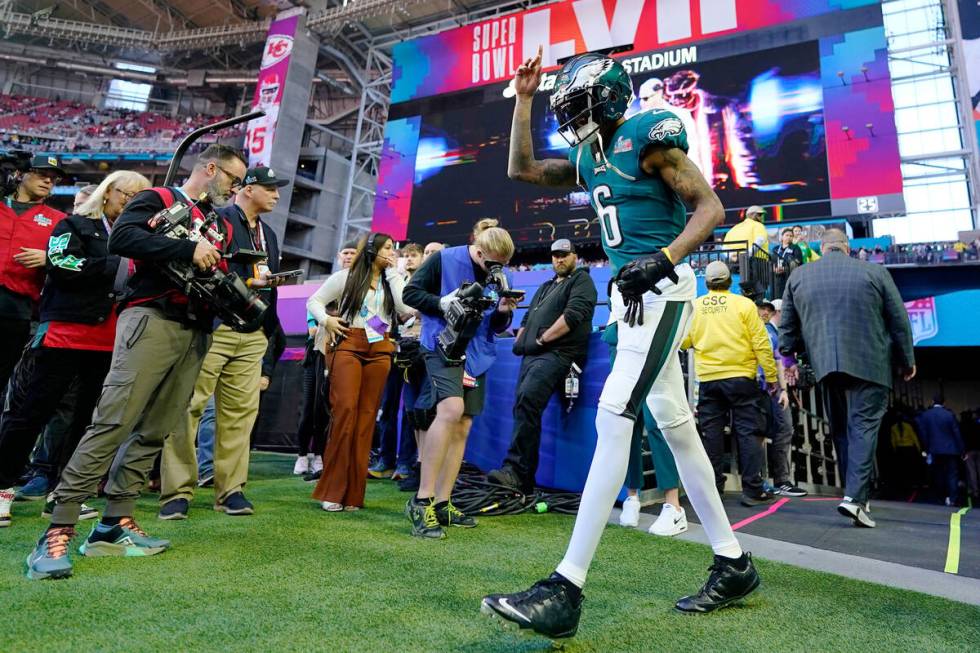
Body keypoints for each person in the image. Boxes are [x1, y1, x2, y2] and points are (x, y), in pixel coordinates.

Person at [482, 49, 757, 639]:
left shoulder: (648, 137)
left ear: (606, 100)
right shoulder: (589, 153)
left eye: (576, 105)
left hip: (662, 292)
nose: (573, 117)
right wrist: (525, 100)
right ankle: (733, 562)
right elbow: (522, 169)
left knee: (614, 416)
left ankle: (566, 586)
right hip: (635, 300)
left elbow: (709, 207)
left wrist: (661, 259)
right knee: (678, 428)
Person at [25, 144, 246, 580]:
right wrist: (186, 250)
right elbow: (122, 239)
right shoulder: (160, 199)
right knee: (113, 421)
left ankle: (112, 525)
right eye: (233, 180)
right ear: (210, 168)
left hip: (195, 330)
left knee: (156, 429)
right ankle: (57, 530)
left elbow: (212, 271)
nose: (235, 189)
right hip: (151, 319)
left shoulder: (221, 223)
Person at [0, 171, 150, 529]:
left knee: (86, 420)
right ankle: (3, 486)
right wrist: (118, 266)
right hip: (64, 333)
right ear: (108, 191)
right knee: (32, 411)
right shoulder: (74, 224)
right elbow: (63, 264)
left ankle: (63, 495)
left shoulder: (135, 237)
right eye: (128, 196)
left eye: (138, 200)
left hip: (109, 337)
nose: (131, 204)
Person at [159, 165, 287, 520]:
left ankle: (230, 489)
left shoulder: (269, 235)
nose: (276, 193)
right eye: (269, 187)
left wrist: (267, 334)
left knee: (240, 416)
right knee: (190, 407)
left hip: (252, 333)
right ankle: (177, 491)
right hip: (215, 326)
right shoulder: (217, 219)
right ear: (246, 189)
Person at [779, 228, 916, 529]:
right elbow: (899, 320)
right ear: (847, 248)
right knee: (863, 427)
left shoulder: (799, 276)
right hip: (871, 365)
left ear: (823, 248)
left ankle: (854, 495)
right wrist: (907, 361)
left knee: (841, 431)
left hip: (826, 365)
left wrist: (788, 360)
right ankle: (855, 499)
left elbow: (787, 327)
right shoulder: (875, 272)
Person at [403, 220, 517, 538]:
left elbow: (494, 326)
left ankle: (442, 502)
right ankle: (421, 500)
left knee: (464, 422)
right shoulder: (445, 259)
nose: (495, 270)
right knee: (450, 410)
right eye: (491, 262)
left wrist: (504, 311)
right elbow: (411, 293)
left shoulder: (499, 274)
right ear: (479, 251)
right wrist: (441, 302)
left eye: (501, 265)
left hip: (477, 353)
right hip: (442, 346)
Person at [308, 233, 411, 511]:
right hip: (348, 345)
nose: (393, 253)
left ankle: (353, 494)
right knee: (345, 413)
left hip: (380, 347)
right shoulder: (346, 277)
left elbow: (404, 308)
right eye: (388, 248)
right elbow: (314, 301)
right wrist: (327, 319)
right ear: (373, 250)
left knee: (367, 420)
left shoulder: (392, 282)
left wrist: (394, 275)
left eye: (394, 249)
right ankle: (332, 490)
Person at [487, 238, 596, 493]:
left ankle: (517, 472)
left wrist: (539, 339)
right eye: (555, 255)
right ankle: (520, 478)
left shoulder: (582, 280)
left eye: (565, 255)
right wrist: (522, 340)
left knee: (527, 402)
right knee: (523, 407)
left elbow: (573, 316)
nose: (559, 259)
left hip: (557, 354)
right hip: (532, 355)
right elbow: (527, 316)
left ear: (575, 257)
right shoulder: (546, 285)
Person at [681, 261, 778, 506]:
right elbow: (762, 344)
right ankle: (752, 490)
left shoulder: (696, 306)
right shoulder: (744, 305)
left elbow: (683, 341)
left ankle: (714, 488)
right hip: (741, 378)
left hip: (709, 380)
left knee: (711, 434)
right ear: (729, 282)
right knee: (747, 432)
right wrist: (772, 377)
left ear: (707, 283)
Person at [607, 315, 686, 536]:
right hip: (624, 350)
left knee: (658, 424)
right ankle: (632, 497)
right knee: (628, 426)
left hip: (655, 349)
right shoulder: (616, 284)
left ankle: (673, 504)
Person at [0, 155, 67, 400]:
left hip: (17, 310)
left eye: (53, 178)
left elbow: (73, 263)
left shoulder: (59, 221)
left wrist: (49, 258)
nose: (48, 181)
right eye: (42, 174)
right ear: (20, 175)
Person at [293, 241, 357, 477]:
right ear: (340, 256)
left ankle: (319, 454)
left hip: (343, 352)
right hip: (317, 353)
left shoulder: (360, 286)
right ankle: (302, 455)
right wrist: (320, 322)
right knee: (309, 406)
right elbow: (314, 310)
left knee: (326, 409)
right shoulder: (330, 283)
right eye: (346, 253)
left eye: (353, 253)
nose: (349, 257)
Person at [369, 242, 424, 480]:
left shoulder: (426, 283)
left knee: (411, 409)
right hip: (391, 348)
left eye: (414, 255)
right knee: (388, 408)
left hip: (416, 352)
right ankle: (385, 459)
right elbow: (379, 315)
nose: (409, 259)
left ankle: (406, 462)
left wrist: (412, 313)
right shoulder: (393, 282)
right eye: (406, 256)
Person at [397, 241, 444, 493]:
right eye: (426, 252)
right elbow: (402, 311)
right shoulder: (408, 282)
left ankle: (428, 468)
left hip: (435, 350)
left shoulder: (445, 281)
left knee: (428, 410)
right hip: (408, 349)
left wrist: (419, 308)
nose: (429, 256)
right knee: (413, 411)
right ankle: (415, 464)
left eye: (434, 253)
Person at [756, 300, 806, 497]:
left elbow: (778, 364)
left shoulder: (775, 333)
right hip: (763, 386)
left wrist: (784, 390)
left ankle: (776, 480)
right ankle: (768, 480)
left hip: (772, 388)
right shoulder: (766, 330)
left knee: (781, 430)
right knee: (764, 432)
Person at [917, 395, 965, 506]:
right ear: (944, 403)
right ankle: (952, 498)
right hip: (950, 450)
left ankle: (940, 496)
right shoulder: (949, 415)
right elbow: (957, 434)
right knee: (952, 474)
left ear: (933, 402)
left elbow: (923, 434)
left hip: (934, 449)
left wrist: (926, 449)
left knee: (938, 473)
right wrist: (962, 451)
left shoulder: (925, 415)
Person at [772, 228, 804, 299]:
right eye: (787, 235)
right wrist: (774, 268)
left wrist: (785, 268)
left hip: (789, 276)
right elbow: (772, 261)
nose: (789, 237)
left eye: (791, 236)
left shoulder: (795, 248)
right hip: (776, 276)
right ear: (782, 237)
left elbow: (797, 262)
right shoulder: (775, 249)